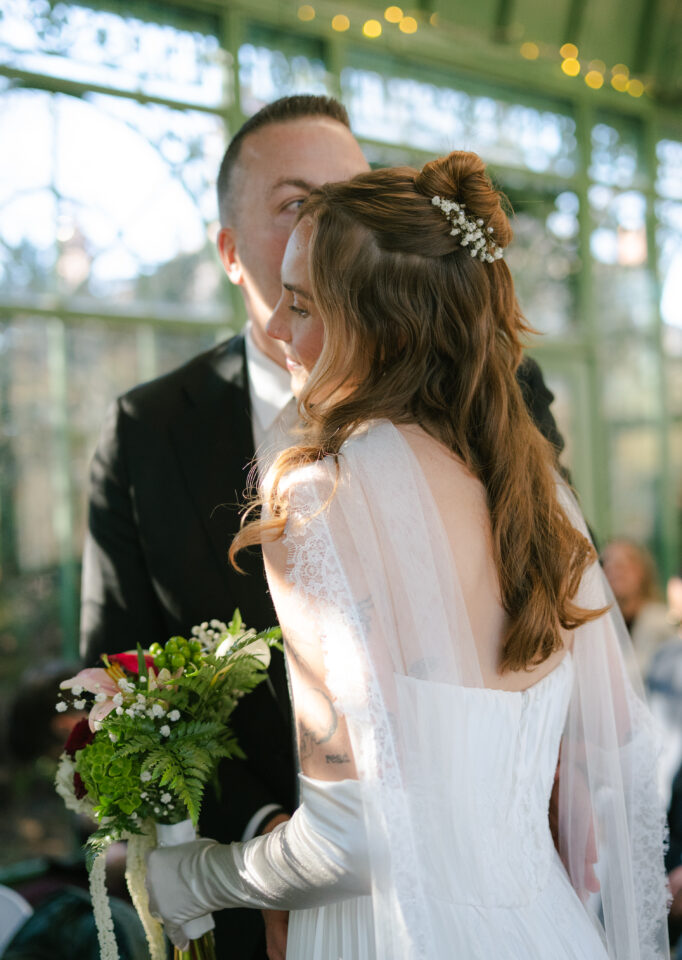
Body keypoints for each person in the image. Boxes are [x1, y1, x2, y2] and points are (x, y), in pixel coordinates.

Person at [145, 152, 669, 958]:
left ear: (383, 332)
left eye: (302, 304)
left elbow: (347, 842)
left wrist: (194, 878)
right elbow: (610, 747)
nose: (277, 328)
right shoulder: (535, 492)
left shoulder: (320, 500)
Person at [81, 96, 565, 958]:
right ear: (230, 252)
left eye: (352, 197)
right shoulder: (145, 432)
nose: (336, 228)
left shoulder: (502, 398)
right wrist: (261, 844)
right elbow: (119, 677)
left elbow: (548, 621)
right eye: (300, 204)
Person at [601, 538, 674, 677]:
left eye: (624, 563)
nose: (614, 570)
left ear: (643, 571)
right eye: (607, 563)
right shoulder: (600, 625)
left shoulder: (662, 622)